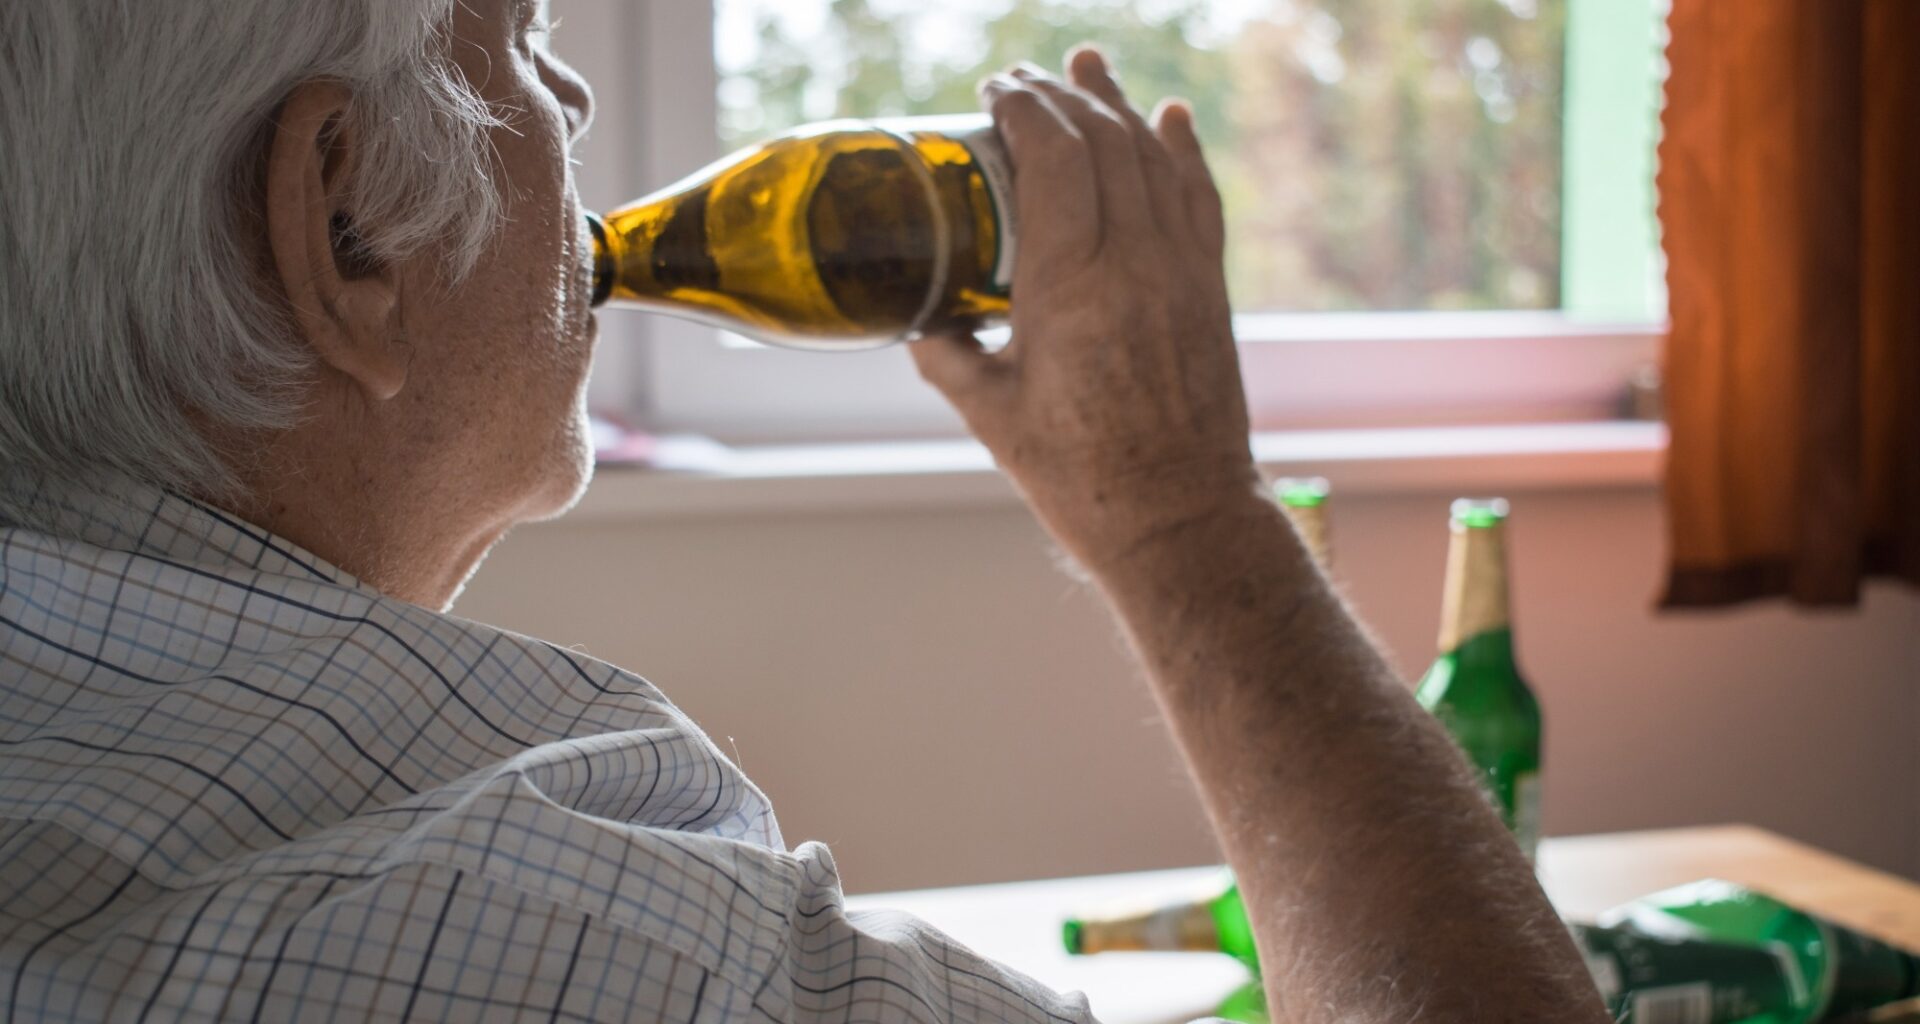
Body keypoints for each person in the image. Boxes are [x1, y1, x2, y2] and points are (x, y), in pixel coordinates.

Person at [0, 0, 1608, 1020]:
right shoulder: (563, 937)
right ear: (345, 223)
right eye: (522, 34)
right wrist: (1193, 530)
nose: (568, 103)